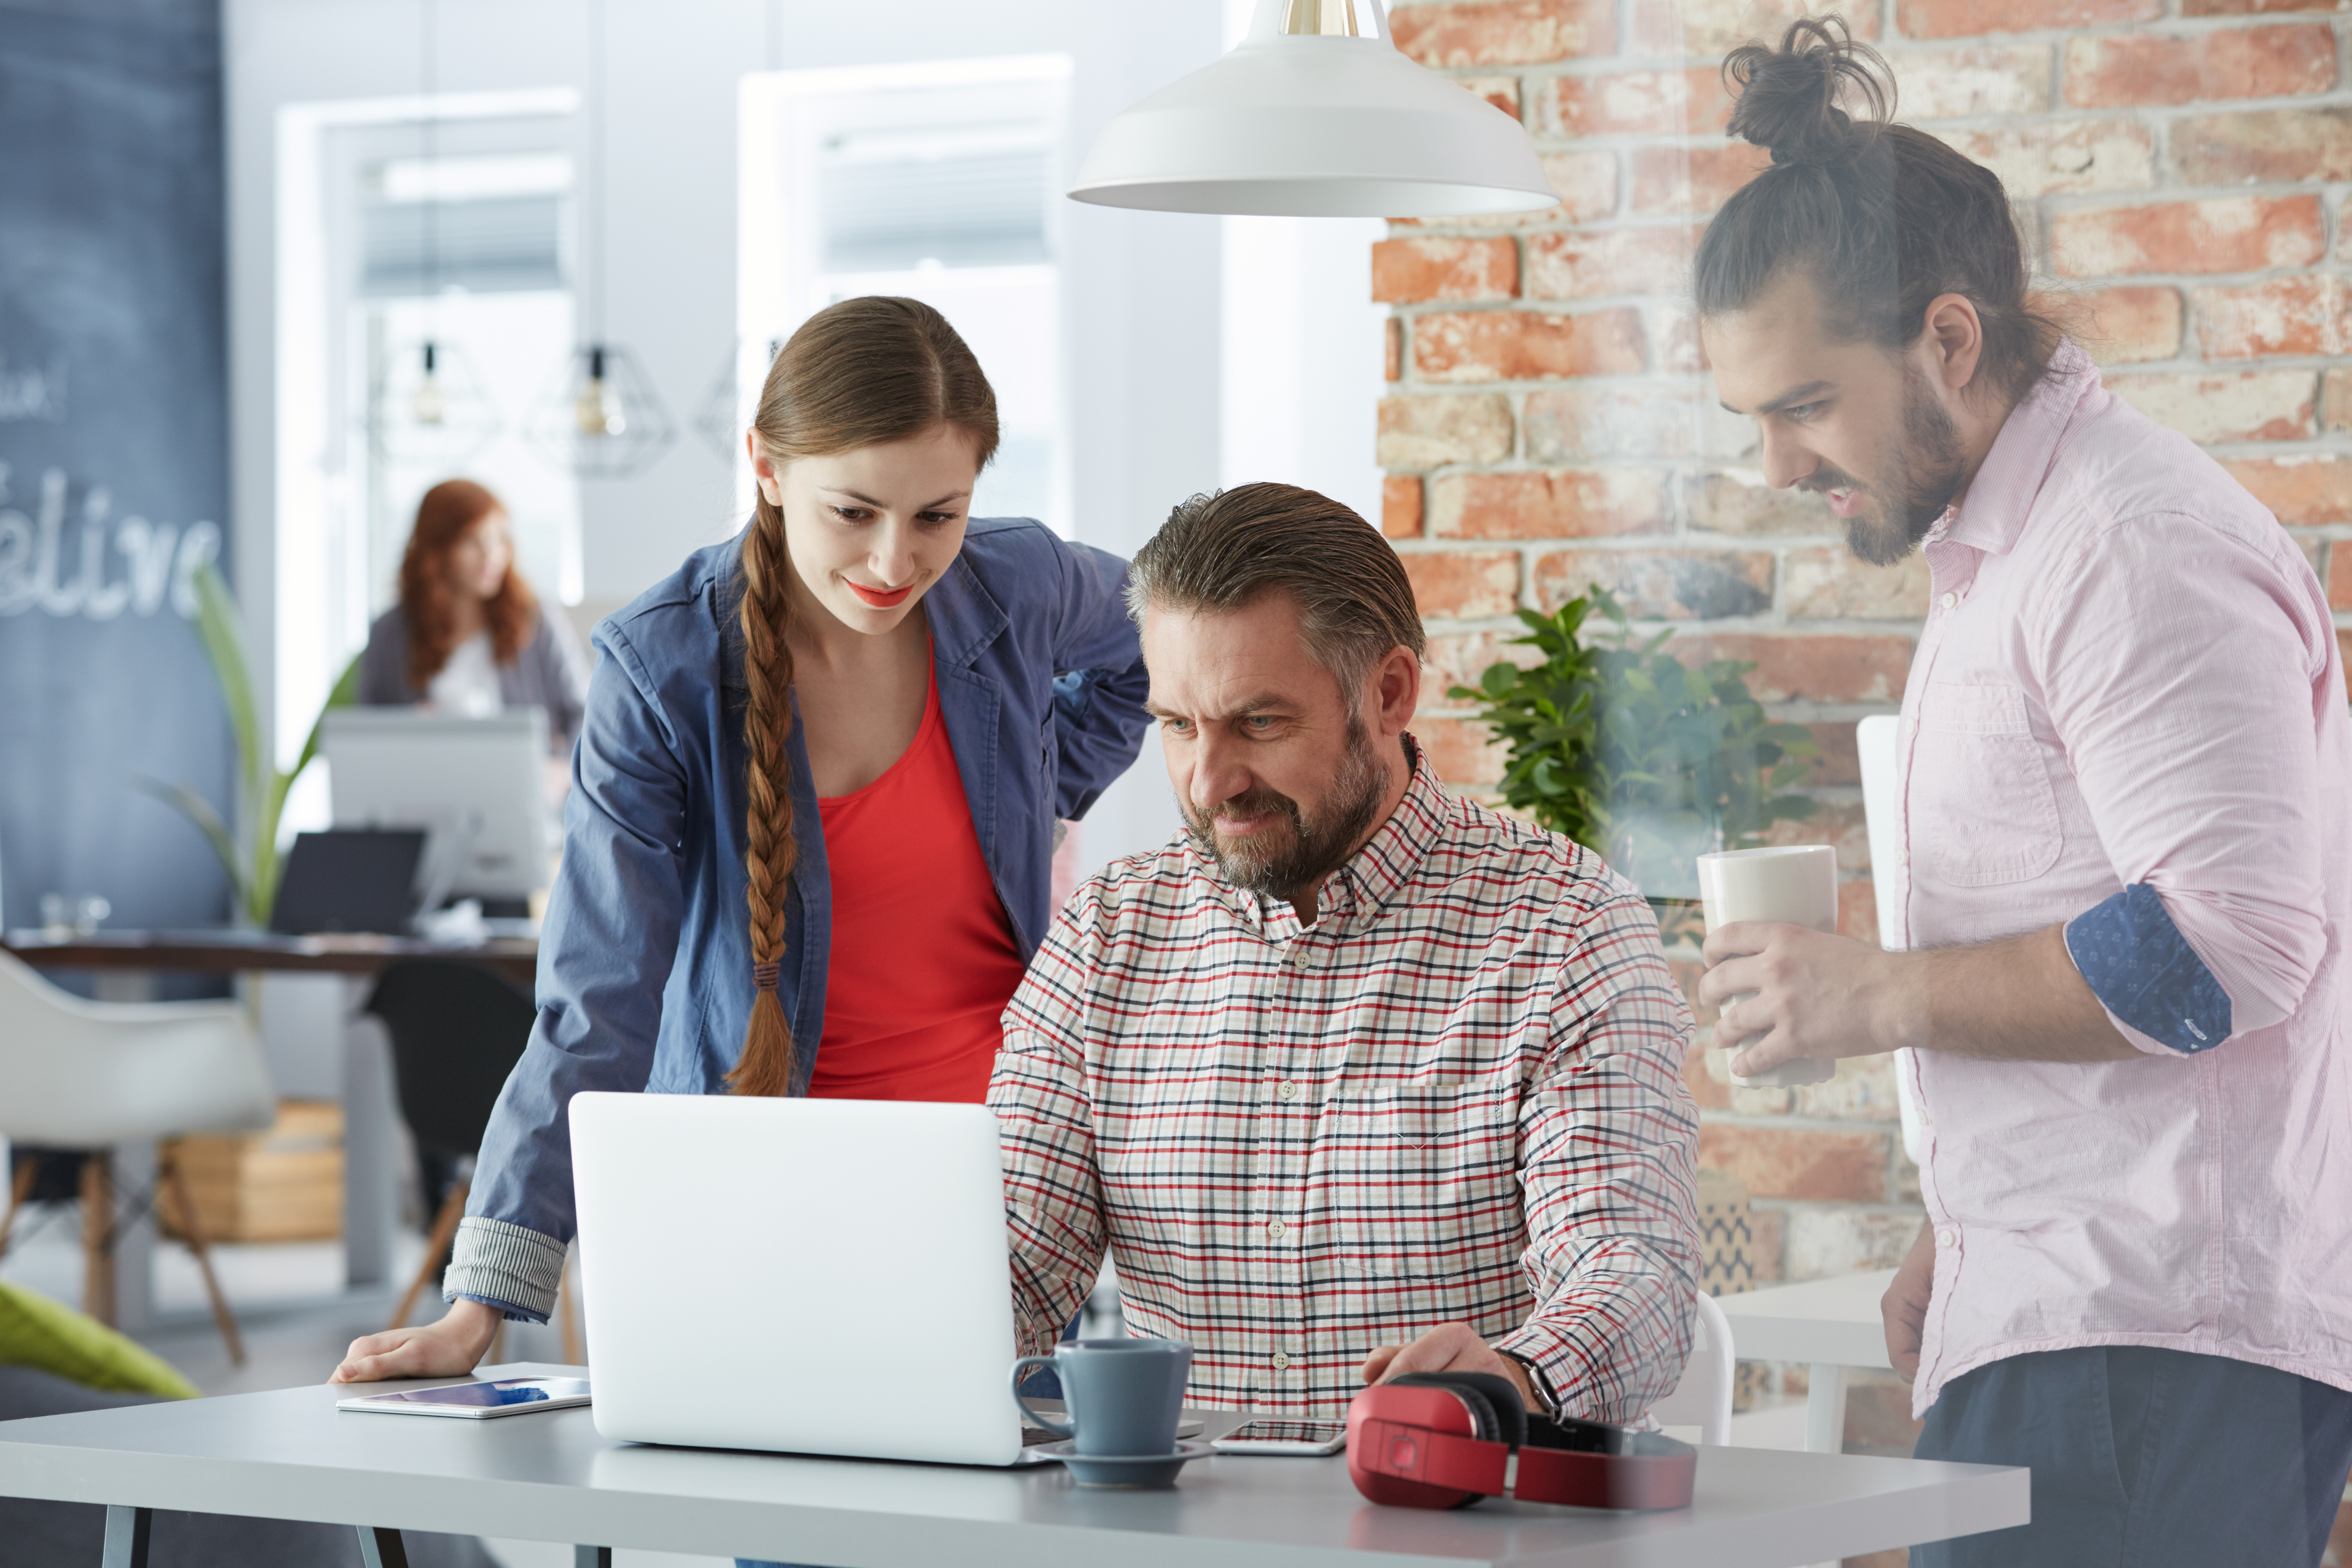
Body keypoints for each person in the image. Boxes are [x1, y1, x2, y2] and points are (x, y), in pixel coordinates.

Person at [1688, 20, 2352, 1567]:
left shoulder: (2126, 549)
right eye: (1750, 425)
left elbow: (2231, 945)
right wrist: (1962, 1230)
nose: (1779, 467)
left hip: (2148, 1345)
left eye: (1801, 405)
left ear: (1945, 339)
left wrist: (1873, 997)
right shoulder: (2007, 552)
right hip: (2078, 1323)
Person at [331, 296, 1152, 1385]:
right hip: (752, 1195)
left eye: (937, 517)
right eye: (851, 511)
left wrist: (1044, 795)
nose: (894, 562)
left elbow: (1155, 638)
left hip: (997, 1195)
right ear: (765, 464)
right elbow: (600, 997)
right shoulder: (661, 667)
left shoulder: (1018, 580)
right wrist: (486, 1302)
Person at [989, 483, 1702, 1421]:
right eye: (1177, 724)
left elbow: (1629, 1275)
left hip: (1465, 1534)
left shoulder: (1562, 933)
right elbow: (1012, 1264)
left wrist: (1510, 1380)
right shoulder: (1105, 940)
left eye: (1258, 722)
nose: (1209, 781)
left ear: (1389, 692)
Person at [359, 478, 590, 758]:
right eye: (472, 541)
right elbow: (365, 735)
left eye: (499, 539)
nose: (491, 556)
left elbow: (586, 715)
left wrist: (562, 770)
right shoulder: (391, 633)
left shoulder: (535, 620)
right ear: (438, 549)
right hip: (427, 794)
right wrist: (409, 727)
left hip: (523, 794)